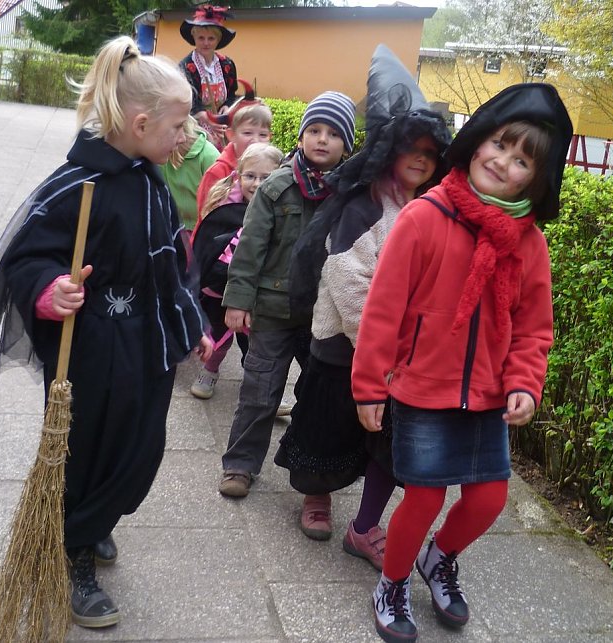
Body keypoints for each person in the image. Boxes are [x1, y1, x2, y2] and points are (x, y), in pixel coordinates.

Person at [0, 36, 213, 630]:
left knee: (140, 447)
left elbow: (166, 261)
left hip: (148, 348)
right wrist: (49, 289)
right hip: (97, 354)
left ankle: (94, 519)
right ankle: (70, 547)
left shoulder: (150, 175)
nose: (188, 137)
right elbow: (26, 258)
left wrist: (192, 319)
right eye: (180, 125)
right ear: (139, 120)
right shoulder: (81, 186)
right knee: (87, 453)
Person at [352, 83, 573, 643]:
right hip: (422, 386)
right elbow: (383, 310)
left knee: (488, 499)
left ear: (535, 179)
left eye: (522, 159)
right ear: (476, 144)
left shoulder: (529, 244)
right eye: (499, 144)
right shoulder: (425, 217)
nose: (504, 161)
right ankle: (393, 582)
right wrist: (370, 386)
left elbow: (532, 327)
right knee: (423, 496)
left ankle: (439, 559)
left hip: (489, 394)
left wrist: (526, 382)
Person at [275, 45, 451, 557]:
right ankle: (317, 496)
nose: (421, 159)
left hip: (395, 354)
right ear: (387, 150)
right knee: (327, 426)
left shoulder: (421, 208)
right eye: (410, 149)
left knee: (380, 440)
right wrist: (382, 345)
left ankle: (366, 523)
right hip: (343, 346)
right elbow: (349, 279)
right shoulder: (363, 205)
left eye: (430, 153)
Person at [218, 90, 356, 499]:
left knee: (317, 396)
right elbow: (250, 247)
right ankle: (240, 464)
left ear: (346, 144)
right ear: (300, 137)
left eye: (333, 133)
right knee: (260, 390)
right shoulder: (276, 187)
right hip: (273, 308)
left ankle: (314, 480)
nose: (321, 139)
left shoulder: (350, 192)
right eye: (314, 130)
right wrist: (238, 300)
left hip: (324, 315)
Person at [189, 142, 284, 400]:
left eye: (266, 177)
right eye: (250, 176)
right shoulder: (224, 206)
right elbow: (208, 242)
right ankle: (209, 371)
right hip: (220, 290)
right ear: (238, 175)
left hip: (259, 291)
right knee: (221, 338)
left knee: (256, 342)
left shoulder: (283, 209)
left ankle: (260, 385)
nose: (256, 183)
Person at [195, 84, 273, 213]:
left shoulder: (274, 167)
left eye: (263, 135)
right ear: (231, 135)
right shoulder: (217, 172)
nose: (255, 140)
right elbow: (205, 217)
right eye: (247, 133)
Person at [178, 4, 238, 148]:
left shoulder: (227, 65)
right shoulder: (186, 67)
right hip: (195, 129)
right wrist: (208, 119)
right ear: (194, 38)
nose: (206, 43)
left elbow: (231, 95)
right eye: (201, 38)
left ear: (218, 40)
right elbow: (187, 103)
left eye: (211, 38)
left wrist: (227, 107)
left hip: (222, 127)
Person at [160, 114, 220, 232]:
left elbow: (218, 199)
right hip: (176, 225)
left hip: (205, 227)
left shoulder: (208, 155)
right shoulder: (163, 157)